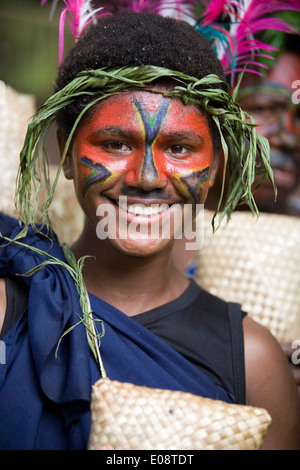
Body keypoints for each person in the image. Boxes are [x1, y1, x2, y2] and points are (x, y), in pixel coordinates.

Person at [0, 9, 299, 450]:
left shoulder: (253, 362)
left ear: (214, 166)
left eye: (179, 148)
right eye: (116, 143)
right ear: (66, 151)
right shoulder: (9, 304)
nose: (147, 177)